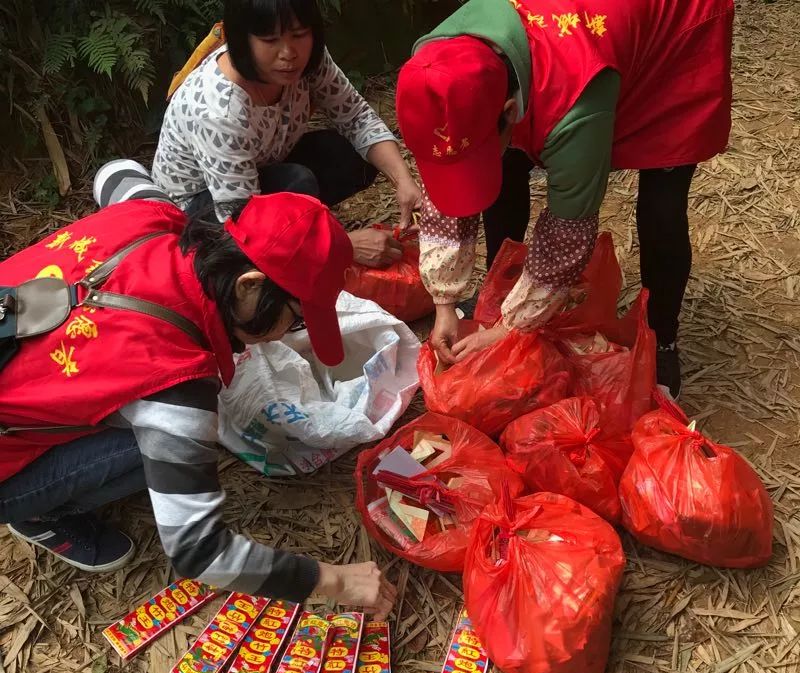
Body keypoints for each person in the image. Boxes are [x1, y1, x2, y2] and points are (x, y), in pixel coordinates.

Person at [0, 192, 396, 618]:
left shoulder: (151, 213)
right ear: (249, 285)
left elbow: (115, 173)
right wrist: (336, 581)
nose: (286, 333)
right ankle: (40, 514)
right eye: (295, 317)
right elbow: (198, 551)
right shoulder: (173, 381)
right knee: (166, 444)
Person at [395, 0, 734, 398]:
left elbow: (566, 233)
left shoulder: (575, 103)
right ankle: (499, 291)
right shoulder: (439, 69)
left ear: (510, 110)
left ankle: (662, 336)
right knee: (505, 164)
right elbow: (448, 178)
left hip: (670, 33)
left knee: (663, 203)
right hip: (570, 47)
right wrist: (444, 300)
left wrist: (510, 327)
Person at [150, 0, 420, 267]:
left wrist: (403, 181)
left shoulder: (309, 60)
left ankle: (302, 225)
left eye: (299, 34)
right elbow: (241, 226)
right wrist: (344, 247)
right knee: (296, 184)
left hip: (263, 167)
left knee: (351, 156)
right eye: (270, 40)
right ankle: (299, 237)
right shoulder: (218, 111)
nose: (289, 53)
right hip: (202, 210)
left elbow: (356, 117)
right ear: (242, 39)